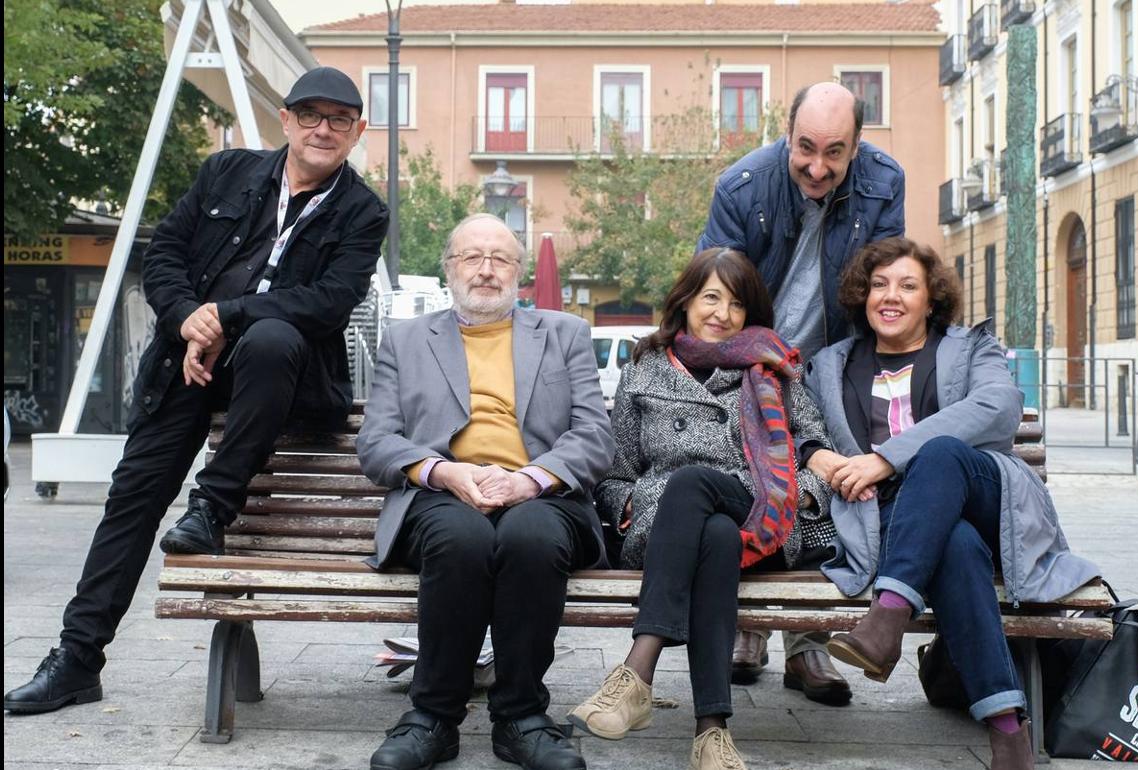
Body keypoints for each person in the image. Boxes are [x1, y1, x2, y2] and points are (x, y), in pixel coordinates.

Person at [3, 67, 386, 715]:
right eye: (311, 114)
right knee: (131, 502)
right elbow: (165, 255)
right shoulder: (227, 172)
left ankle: (211, 505)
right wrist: (187, 318)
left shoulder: (362, 211)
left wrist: (225, 315)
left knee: (273, 338)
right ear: (286, 120)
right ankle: (76, 659)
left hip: (283, 382)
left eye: (339, 118)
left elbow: (329, 303)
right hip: (184, 367)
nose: (323, 128)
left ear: (357, 132)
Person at [803, 237, 1100, 770]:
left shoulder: (969, 349)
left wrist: (886, 458)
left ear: (931, 300)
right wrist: (817, 454)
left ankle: (886, 619)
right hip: (897, 520)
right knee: (956, 546)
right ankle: (1008, 728)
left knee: (941, 454)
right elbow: (793, 424)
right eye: (879, 285)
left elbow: (998, 405)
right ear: (862, 296)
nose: (890, 297)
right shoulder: (831, 365)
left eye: (907, 286)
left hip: (987, 497)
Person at [357, 213, 614, 770]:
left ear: (519, 273)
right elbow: (376, 442)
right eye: (472, 257)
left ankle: (521, 719)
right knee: (461, 537)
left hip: (543, 494)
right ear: (449, 270)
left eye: (500, 258)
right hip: (442, 496)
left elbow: (596, 436)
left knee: (531, 536)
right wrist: (445, 473)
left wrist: (529, 479)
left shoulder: (564, 333)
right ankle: (432, 719)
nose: (486, 270)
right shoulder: (405, 341)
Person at [568, 248, 833, 770]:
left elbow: (816, 453)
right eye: (711, 297)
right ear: (686, 300)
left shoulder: (774, 367)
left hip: (763, 515)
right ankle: (712, 731)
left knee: (694, 486)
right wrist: (626, 506)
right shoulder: (644, 369)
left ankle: (636, 673)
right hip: (670, 526)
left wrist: (796, 496)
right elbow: (616, 472)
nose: (722, 313)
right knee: (711, 534)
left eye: (737, 304)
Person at [697, 80, 906, 703]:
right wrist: (746, 366)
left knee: (824, 490)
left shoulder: (884, 181)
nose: (818, 167)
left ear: (857, 147)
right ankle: (750, 630)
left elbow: (883, 279)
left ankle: (809, 646)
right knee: (750, 484)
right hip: (751, 359)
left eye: (834, 153)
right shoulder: (741, 186)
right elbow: (717, 286)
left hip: (832, 363)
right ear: (787, 134)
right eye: (806, 148)